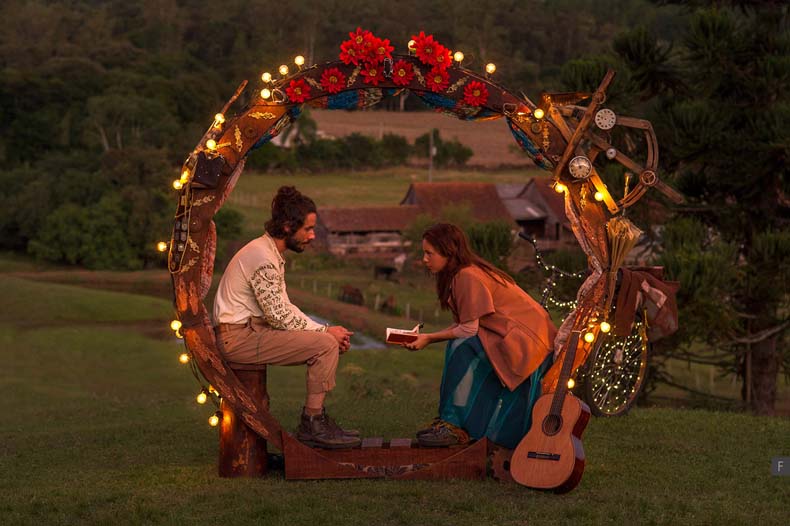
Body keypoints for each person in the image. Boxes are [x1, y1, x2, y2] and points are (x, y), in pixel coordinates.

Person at [213, 186, 360, 449]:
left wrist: (325, 329)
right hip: (238, 338)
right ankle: (312, 424)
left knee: (326, 341)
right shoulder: (262, 257)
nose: (313, 236)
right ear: (288, 226)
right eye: (308, 229)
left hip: (250, 332)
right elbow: (279, 316)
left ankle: (314, 421)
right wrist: (325, 333)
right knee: (325, 345)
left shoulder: (268, 252)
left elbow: (285, 308)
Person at [403, 223, 557, 449]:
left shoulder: (467, 276)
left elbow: (468, 330)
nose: (424, 259)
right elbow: (466, 322)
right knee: (461, 347)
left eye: (429, 253)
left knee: (461, 347)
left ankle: (453, 425)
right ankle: (452, 422)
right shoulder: (461, 273)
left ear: (448, 252)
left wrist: (429, 338)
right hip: (515, 336)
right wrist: (426, 335)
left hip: (528, 341)